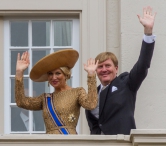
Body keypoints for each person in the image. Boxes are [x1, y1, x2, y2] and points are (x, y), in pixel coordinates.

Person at [85, 6, 156, 135]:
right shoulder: (92, 94)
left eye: (108, 65)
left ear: (116, 69)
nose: (104, 69)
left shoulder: (126, 83)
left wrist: (148, 32)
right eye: (100, 67)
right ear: (96, 71)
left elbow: (143, 64)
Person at [15, 49, 98, 134]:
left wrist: (91, 75)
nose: (54, 77)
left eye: (58, 73)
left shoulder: (77, 92)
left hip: (69, 142)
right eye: (50, 74)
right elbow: (21, 102)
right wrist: (19, 73)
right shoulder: (45, 99)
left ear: (66, 75)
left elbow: (91, 104)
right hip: (50, 143)